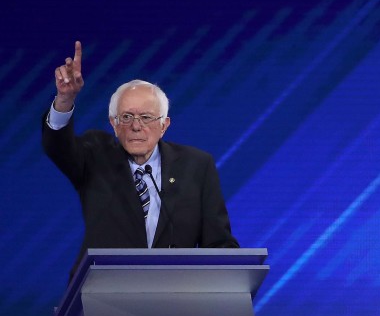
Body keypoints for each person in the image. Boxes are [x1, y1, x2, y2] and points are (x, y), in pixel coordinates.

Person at [43, 41, 239, 272]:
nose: (136, 126)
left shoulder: (196, 166)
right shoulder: (95, 155)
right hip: (104, 293)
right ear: (113, 124)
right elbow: (58, 147)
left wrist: (232, 274)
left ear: (164, 125)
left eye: (146, 117)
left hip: (174, 296)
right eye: (126, 117)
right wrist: (65, 100)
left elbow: (218, 242)